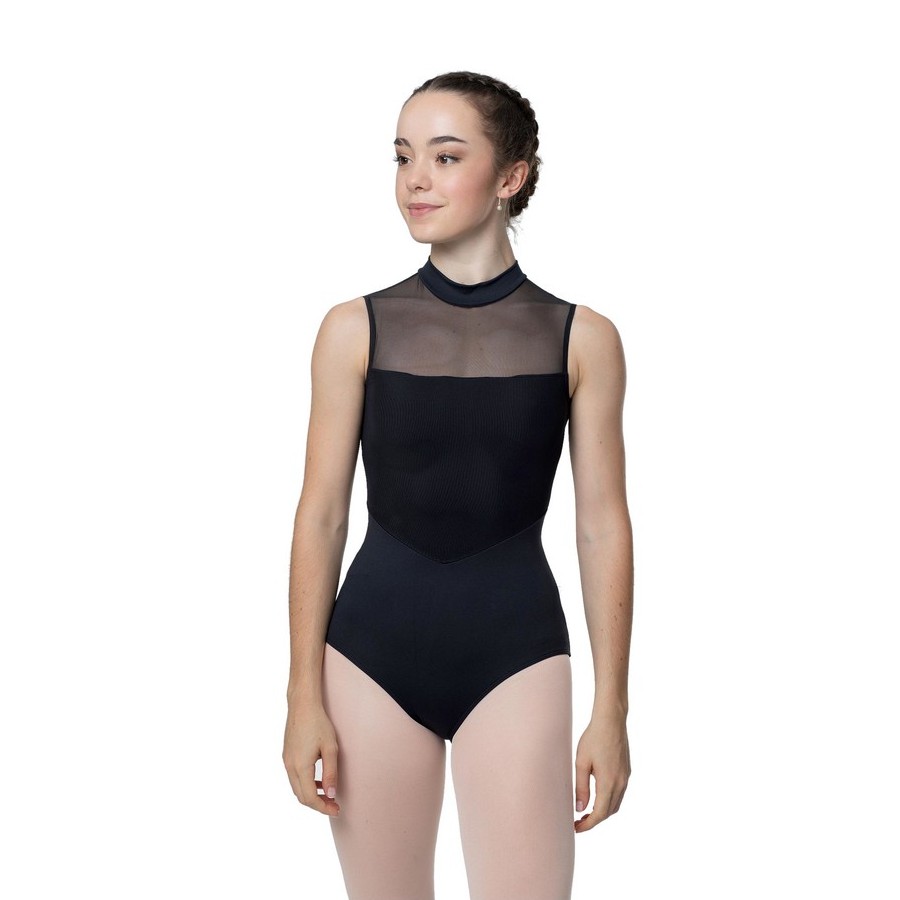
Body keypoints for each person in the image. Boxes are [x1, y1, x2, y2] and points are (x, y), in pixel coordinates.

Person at [282, 71, 633, 900]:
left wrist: (612, 710)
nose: (416, 180)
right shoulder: (353, 329)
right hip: (369, 658)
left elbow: (601, 527)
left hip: (516, 655)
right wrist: (301, 695)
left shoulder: (583, 339)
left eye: (445, 157)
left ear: (511, 176)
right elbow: (321, 516)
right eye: (403, 157)